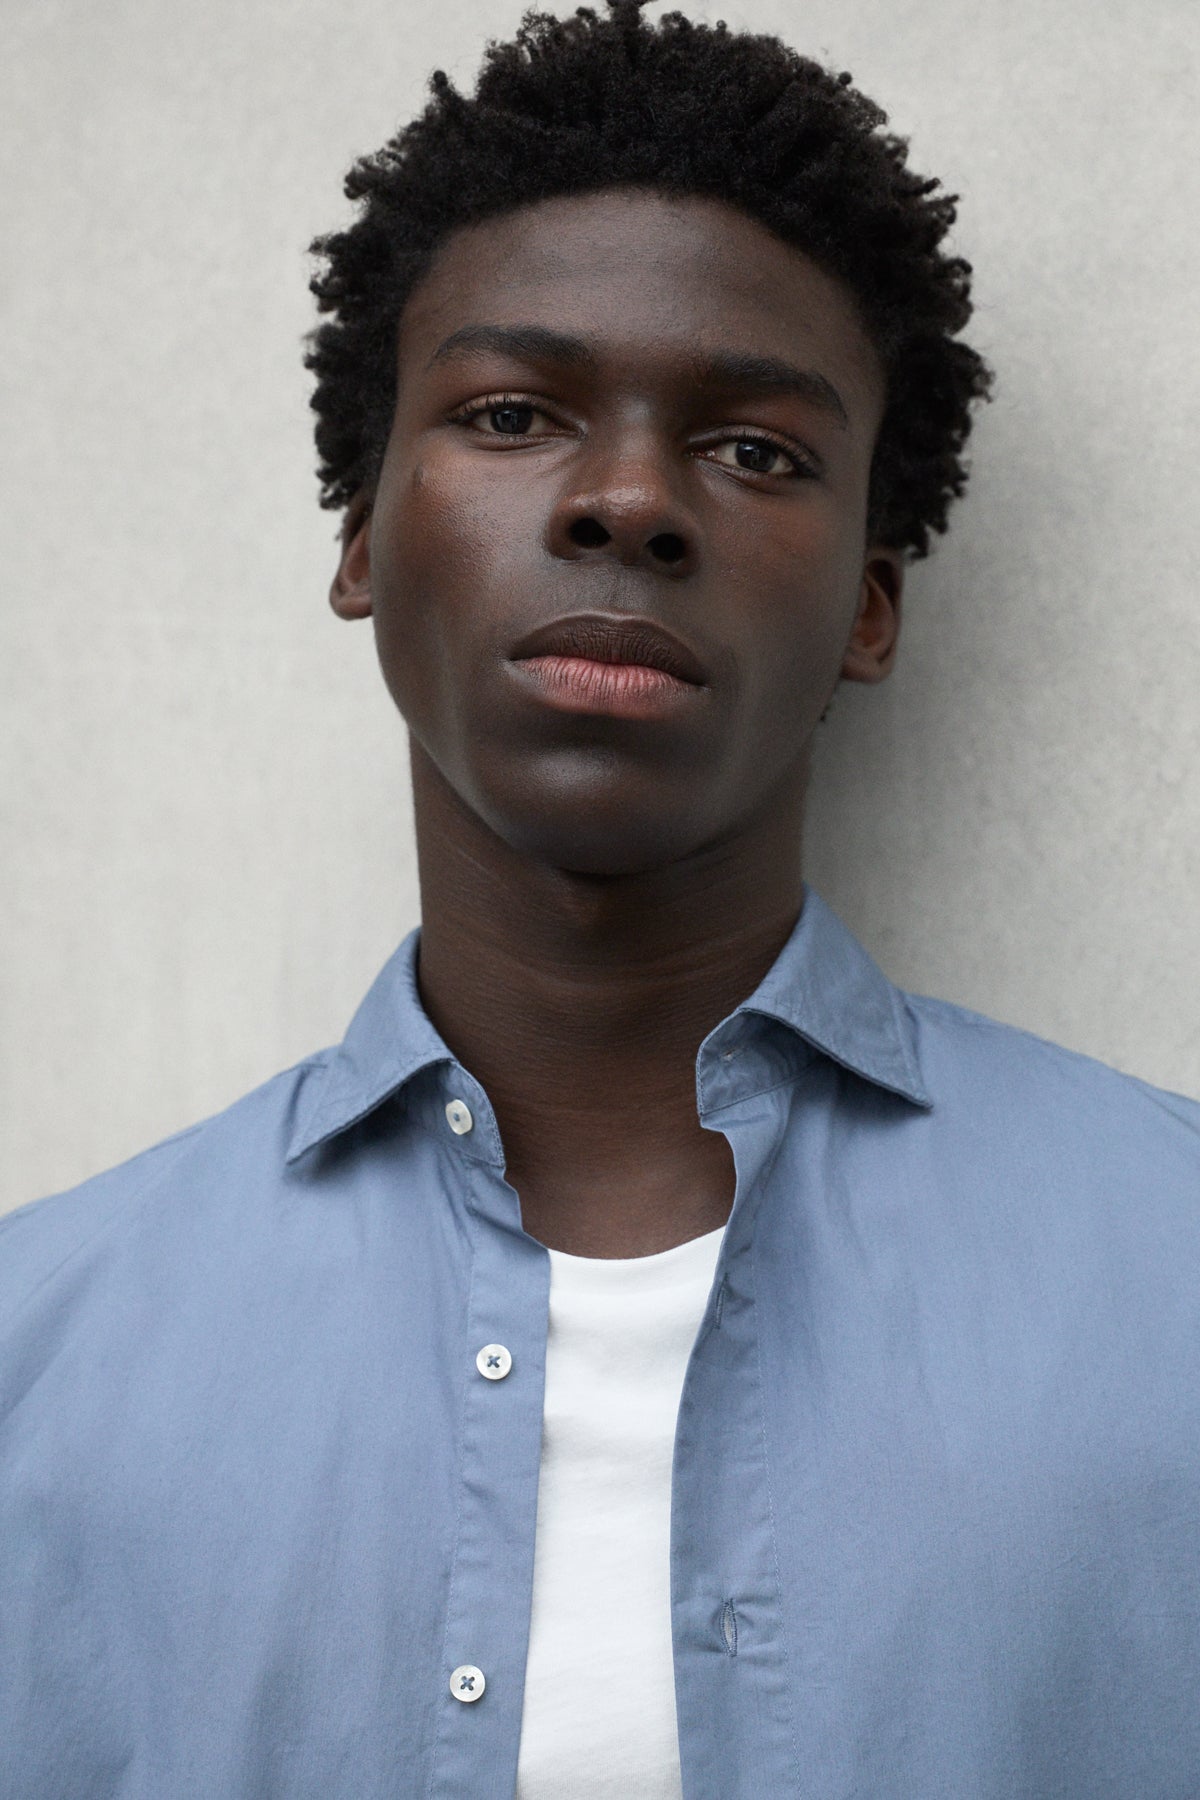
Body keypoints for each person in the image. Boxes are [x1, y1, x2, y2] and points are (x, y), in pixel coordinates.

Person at [2, 2, 1198, 1795]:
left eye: (757, 450)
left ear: (870, 610)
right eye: (512, 413)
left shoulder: (1175, 1275)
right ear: (363, 534)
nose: (630, 501)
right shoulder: (37, 1358)